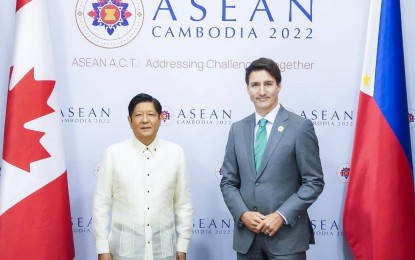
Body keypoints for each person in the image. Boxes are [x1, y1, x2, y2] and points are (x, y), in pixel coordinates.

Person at [220, 57, 324, 260]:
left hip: (287, 239)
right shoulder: (237, 129)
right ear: (248, 89)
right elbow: (228, 182)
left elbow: (313, 182)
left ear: (279, 86)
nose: (262, 91)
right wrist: (243, 214)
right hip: (247, 241)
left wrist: (281, 215)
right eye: (255, 85)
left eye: (268, 84)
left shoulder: (300, 127)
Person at [92, 93, 193, 260]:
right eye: (138, 115)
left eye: (151, 114)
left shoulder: (175, 153)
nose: (145, 120)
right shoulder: (113, 153)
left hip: (164, 251)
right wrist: (102, 248)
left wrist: (182, 245)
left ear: (160, 119)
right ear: (129, 120)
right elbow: (101, 204)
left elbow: (183, 204)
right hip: (123, 252)